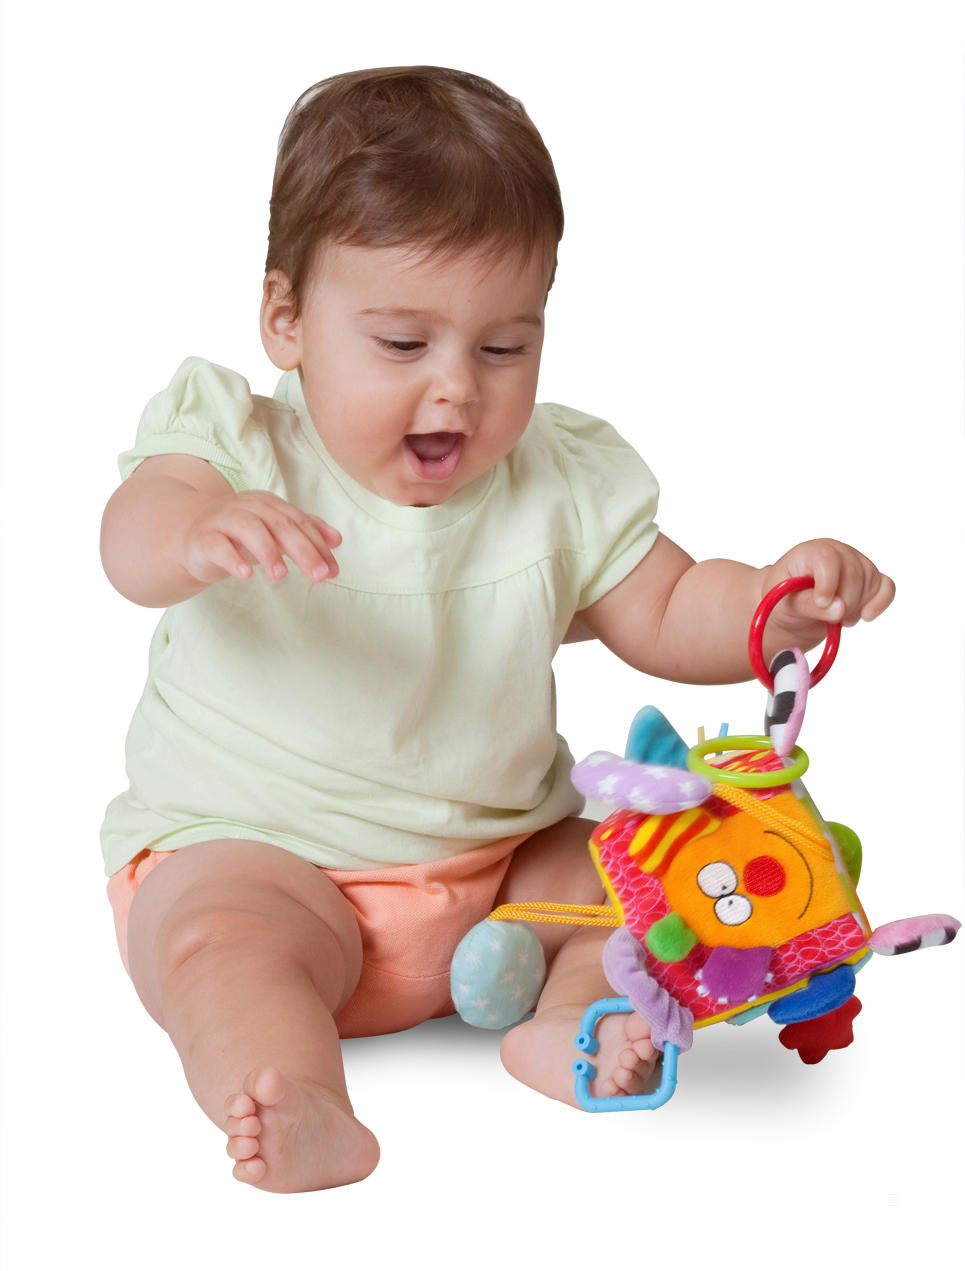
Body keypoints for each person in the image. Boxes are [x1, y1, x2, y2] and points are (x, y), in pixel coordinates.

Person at [99, 66, 894, 1194]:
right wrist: (193, 530)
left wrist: (774, 602)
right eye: (402, 344)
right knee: (214, 943)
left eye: (502, 347)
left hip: (508, 873)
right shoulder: (236, 447)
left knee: (641, 876)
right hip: (261, 851)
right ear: (286, 319)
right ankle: (300, 1095)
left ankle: (569, 1023)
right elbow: (129, 541)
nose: (456, 391)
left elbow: (669, 609)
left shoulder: (558, 479)